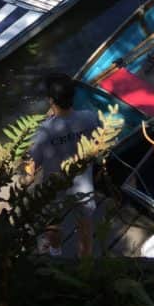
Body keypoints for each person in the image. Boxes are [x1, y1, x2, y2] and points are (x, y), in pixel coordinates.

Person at [26, 73, 98, 256]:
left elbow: (31, 166)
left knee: (52, 222)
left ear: (51, 100)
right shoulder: (90, 118)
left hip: (55, 185)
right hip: (83, 184)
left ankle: (56, 252)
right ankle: (85, 262)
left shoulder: (44, 131)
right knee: (85, 226)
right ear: (72, 97)